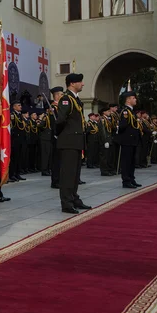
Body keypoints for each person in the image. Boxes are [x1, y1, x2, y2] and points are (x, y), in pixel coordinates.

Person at [56, 73, 91, 214]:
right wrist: (60, 134)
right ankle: (66, 203)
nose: (82, 84)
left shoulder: (75, 99)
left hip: (76, 141)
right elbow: (60, 120)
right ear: (72, 84)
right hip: (69, 141)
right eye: (80, 82)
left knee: (75, 174)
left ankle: (74, 198)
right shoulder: (66, 99)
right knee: (68, 175)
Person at [117, 91, 141, 188]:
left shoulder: (132, 111)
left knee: (132, 161)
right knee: (126, 162)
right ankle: (126, 181)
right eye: (133, 98)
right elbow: (123, 126)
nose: (135, 99)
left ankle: (131, 178)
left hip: (133, 140)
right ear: (128, 100)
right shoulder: (125, 112)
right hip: (127, 140)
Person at [49, 87, 64, 188]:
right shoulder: (53, 107)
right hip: (56, 136)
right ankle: (55, 181)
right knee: (56, 160)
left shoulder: (60, 106)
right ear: (56, 95)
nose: (62, 96)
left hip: (62, 135)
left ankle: (60, 179)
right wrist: (56, 133)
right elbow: (53, 122)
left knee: (61, 159)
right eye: (61, 94)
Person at [9, 101, 26, 182]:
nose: (20, 107)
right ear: (14, 107)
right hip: (15, 139)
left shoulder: (20, 115)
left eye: (20, 105)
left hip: (20, 139)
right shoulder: (13, 115)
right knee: (14, 158)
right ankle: (12, 174)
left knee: (19, 157)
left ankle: (17, 173)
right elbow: (13, 126)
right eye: (19, 105)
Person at [98, 106, 115, 176]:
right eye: (108, 111)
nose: (109, 112)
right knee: (104, 157)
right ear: (104, 112)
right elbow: (103, 131)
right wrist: (105, 141)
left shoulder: (107, 119)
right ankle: (104, 171)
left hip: (109, 139)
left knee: (109, 156)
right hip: (105, 140)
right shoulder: (102, 119)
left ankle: (108, 169)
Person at [38, 108, 53, 176]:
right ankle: (44, 170)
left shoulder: (51, 116)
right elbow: (40, 126)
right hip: (45, 138)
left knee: (49, 155)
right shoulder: (45, 117)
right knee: (45, 155)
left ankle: (48, 169)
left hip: (50, 138)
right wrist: (41, 119)